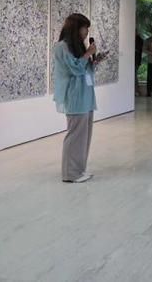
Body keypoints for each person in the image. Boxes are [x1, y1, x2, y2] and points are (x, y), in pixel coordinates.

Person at [53, 13, 105, 183]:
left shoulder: (78, 47)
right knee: (75, 135)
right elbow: (75, 68)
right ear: (75, 28)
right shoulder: (62, 47)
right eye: (85, 28)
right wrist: (88, 53)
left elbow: (84, 70)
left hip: (86, 95)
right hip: (75, 96)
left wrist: (94, 61)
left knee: (84, 136)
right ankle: (70, 173)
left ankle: (79, 170)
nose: (86, 32)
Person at [135, 31, 143, 96]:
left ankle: (137, 90)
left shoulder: (139, 40)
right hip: (131, 60)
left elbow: (137, 49)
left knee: (134, 75)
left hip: (136, 60)